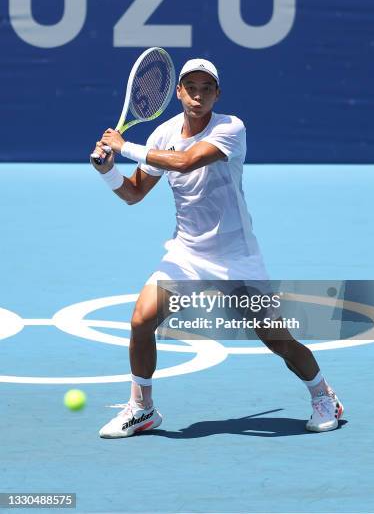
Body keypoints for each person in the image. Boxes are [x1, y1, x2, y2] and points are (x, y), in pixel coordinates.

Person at [91, 58, 344, 439]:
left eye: (206, 87)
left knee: (275, 337)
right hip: (187, 255)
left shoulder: (231, 128)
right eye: (190, 86)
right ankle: (142, 408)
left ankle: (325, 396)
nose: (197, 93)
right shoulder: (161, 135)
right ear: (177, 91)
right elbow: (135, 194)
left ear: (217, 94)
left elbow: (188, 161)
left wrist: (125, 147)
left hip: (236, 258)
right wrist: (108, 172)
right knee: (141, 321)